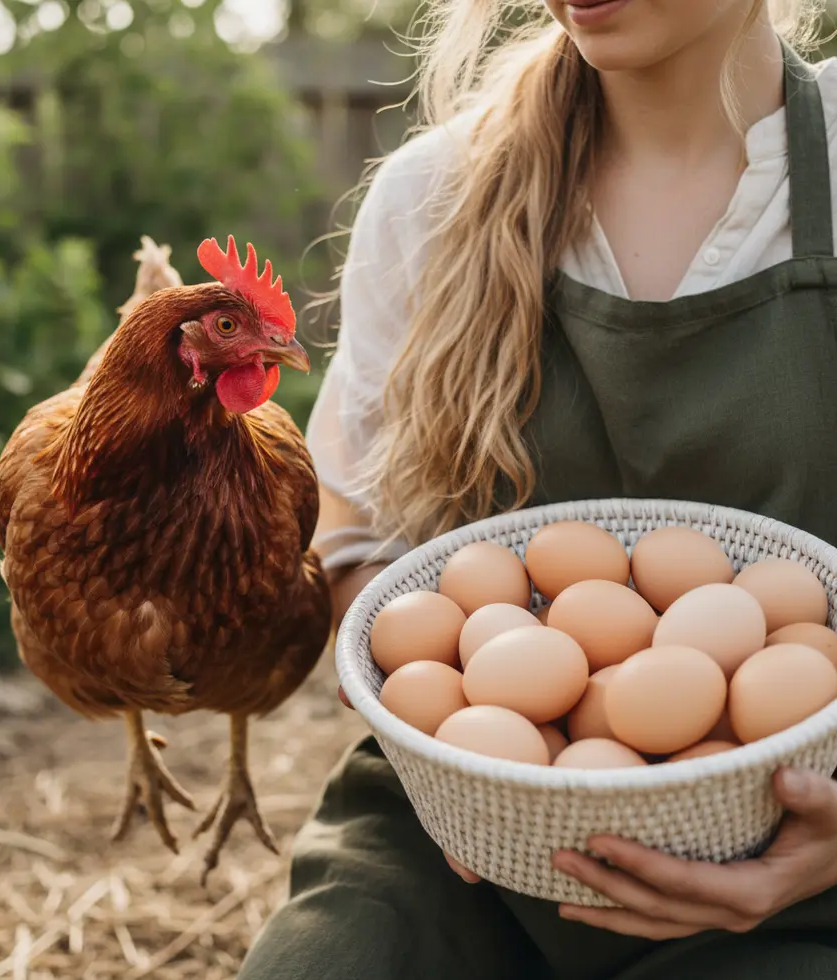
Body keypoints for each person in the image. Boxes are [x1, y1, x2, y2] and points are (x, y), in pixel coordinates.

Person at [237, 0, 837, 977]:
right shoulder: (432, 196)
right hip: (466, 848)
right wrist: (456, 753)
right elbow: (355, 539)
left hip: (797, 858)